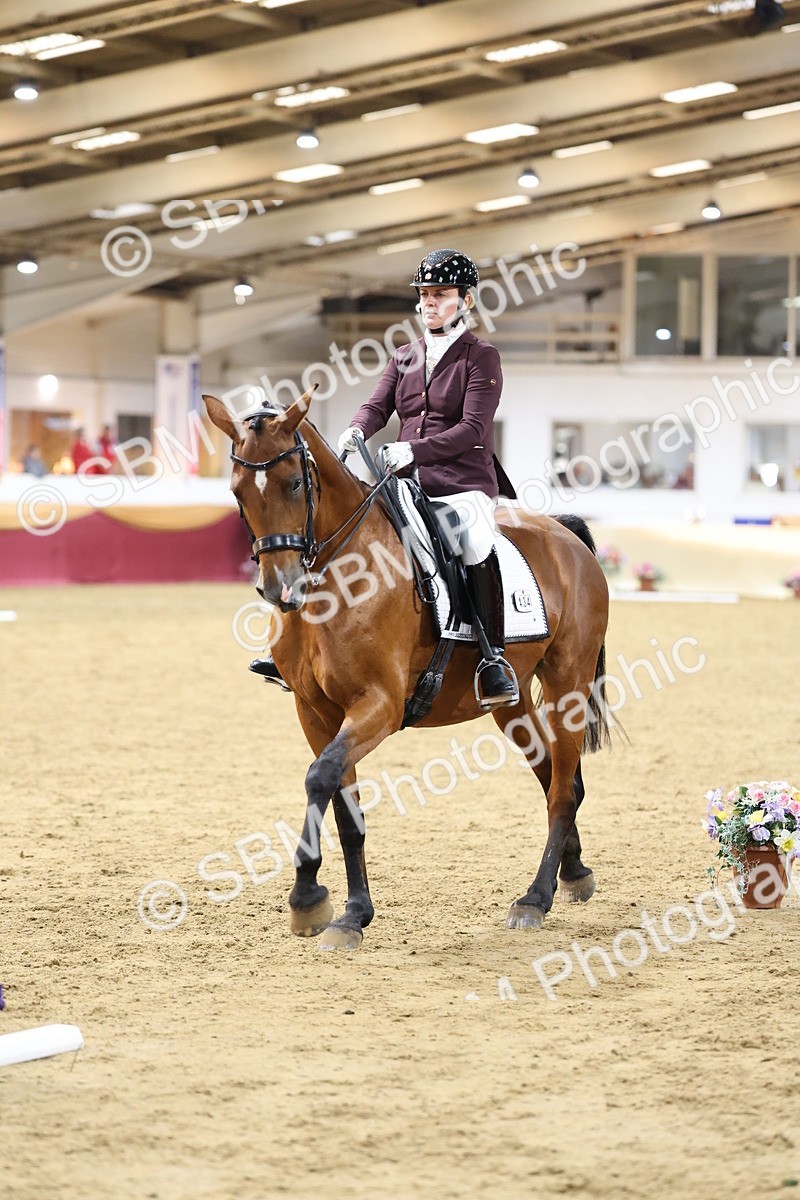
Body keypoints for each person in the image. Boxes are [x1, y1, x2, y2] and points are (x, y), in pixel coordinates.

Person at [251, 248, 519, 709]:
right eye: (425, 295)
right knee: (336, 534)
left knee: (474, 541)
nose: (430, 303)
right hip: (402, 478)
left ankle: (491, 657)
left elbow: (473, 430)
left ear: (466, 301)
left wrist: (414, 449)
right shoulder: (405, 356)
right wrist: (357, 428)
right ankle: (297, 649)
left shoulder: (482, 357)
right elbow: (378, 405)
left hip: (462, 483)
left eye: (441, 294)